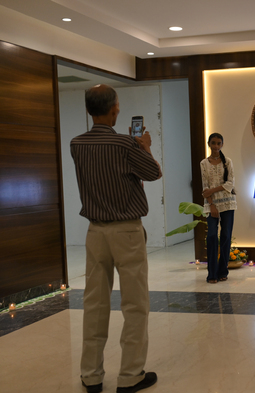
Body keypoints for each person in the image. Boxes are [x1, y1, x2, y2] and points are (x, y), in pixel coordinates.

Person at [71, 84, 161, 393]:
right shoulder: (126, 144)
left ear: (88, 110)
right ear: (115, 110)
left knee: (94, 303)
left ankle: (91, 375)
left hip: (95, 231)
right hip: (127, 231)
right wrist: (144, 146)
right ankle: (130, 375)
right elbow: (153, 173)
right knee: (135, 303)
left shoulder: (77, 144)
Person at [201, 133, 237, 283]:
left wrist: (212, 191)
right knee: (211, 237)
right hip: (212, 205)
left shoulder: (227, 162)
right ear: (209, 144)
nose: (216, 146)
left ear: (222, 145)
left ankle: (223, 271)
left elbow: (230, 184)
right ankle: (212, 274)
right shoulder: (204, 163)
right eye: (213, 143)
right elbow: (205, 187)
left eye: (218, 143)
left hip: (228, 203)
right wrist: (211, 203)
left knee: (226, 236)